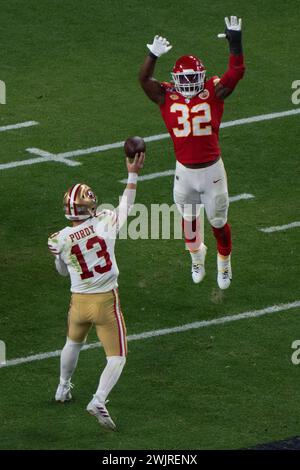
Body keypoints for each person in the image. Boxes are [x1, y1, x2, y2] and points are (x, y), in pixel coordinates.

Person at [139, 16, 245, 289]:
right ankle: (197, 258)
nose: (187, 83)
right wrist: (152, 55)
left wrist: (236, 43)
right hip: (184, 171)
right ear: (175, 79)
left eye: (192, 78)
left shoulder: (212, 91)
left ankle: (224, 263)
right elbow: (144, 79)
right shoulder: (167, 96)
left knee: (219, 222)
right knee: (188, 222)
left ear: (200, 77)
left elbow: (237, 72)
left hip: (211, 170)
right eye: (183, 78)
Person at [47, 153, 145, 431]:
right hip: (105, 301)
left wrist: (59, 257)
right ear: (87, 206)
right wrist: (133, 175)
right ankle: (99, 399)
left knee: (73, 342)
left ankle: (62, 388)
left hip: (78, 301)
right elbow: (126, 206)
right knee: (117, 357)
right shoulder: (104, 221)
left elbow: (62, 271)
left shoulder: (60, 238)